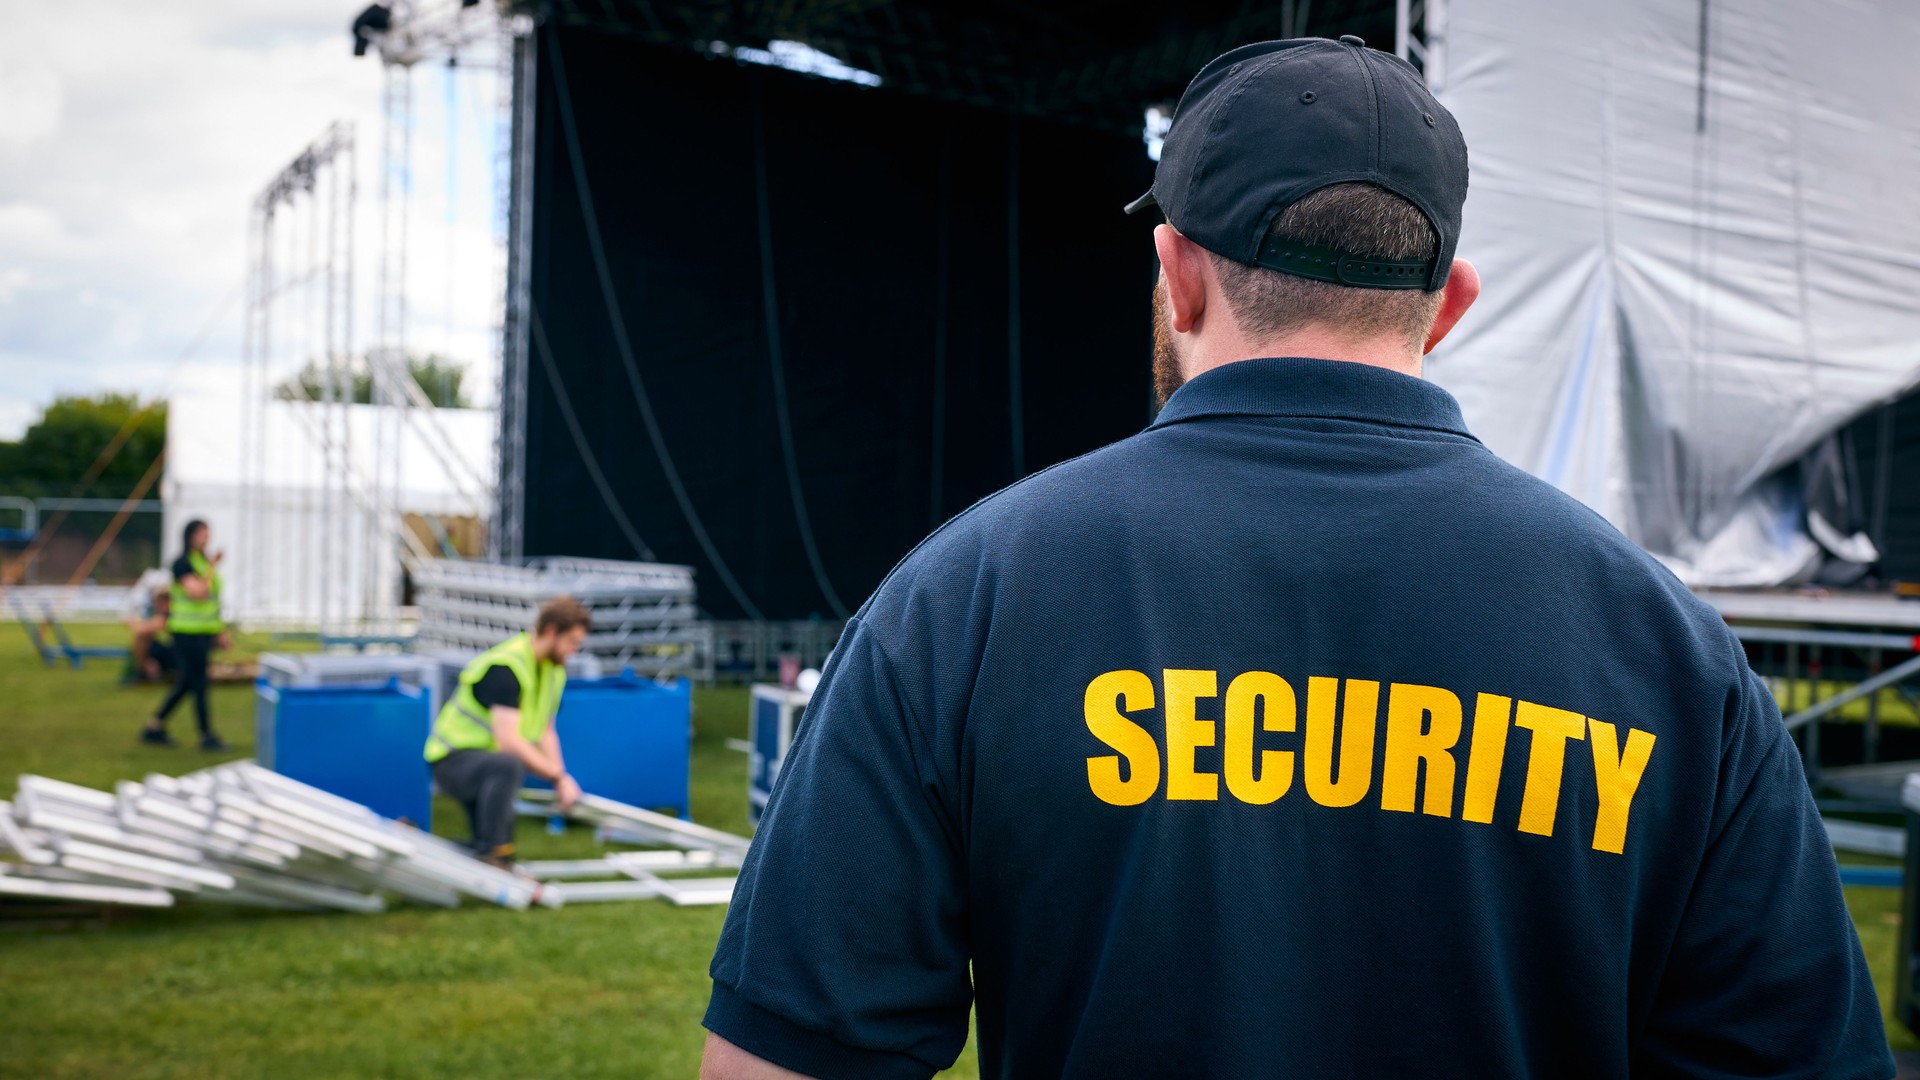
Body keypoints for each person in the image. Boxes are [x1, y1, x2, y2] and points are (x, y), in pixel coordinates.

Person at [700, 36, 1893, 1080]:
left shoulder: (962, 604)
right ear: (1449, 304)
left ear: (1178, 273)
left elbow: (781, 1061)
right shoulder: (1669, 651)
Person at [424, 596, 591, 867]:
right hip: (452, 758)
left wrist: (560, 779)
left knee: (484, 841)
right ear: (551, 631)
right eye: (572, 642)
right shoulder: (507, 667)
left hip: (486, 762)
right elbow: (509, 742)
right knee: (508, 768)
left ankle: (432, 841)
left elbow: (546, 731)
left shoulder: (552, 671)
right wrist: (558, 776)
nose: (574, 650)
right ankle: (496, 856)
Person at [142, 519, 231, 750]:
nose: (207, 537)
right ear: (190, 536)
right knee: (197, 683)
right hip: (186, 632)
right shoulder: (182, 563)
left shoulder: (201, 562)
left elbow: (212, 603)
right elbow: (198, 593)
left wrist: (220, 630)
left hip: (203, 631)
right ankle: (206, 735)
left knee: (188, 682)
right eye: (202, 533)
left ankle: (154, 726)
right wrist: (212, 566)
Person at [123, 584, 177, 683]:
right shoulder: (159, 614)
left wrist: (132, 621)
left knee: (142, 637)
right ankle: (145, 669)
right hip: (174, 652)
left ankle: (143, 670)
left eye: (166, 601)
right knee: (143, 639)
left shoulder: (172, 616)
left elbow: (142, 629)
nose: (163, 605)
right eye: (161, 601)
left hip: (181, 654)